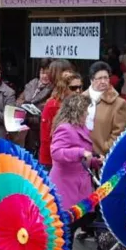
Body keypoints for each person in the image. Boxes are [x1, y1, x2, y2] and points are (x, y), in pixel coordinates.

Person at [49, 94, 102, 239]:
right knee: (66, 230)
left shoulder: (80, 127)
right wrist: (79, 152)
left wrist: (95, 161)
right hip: (66, 186)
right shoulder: (65, 128)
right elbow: (56, 152)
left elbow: (83, 158)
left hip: (79, 186)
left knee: (73, 225)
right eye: (85, 110)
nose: (87, 114)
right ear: (77, 111)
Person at [84, 61, 126, 155]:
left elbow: (119, 132)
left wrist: (106, 148)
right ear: (91, 80)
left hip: (102, 155)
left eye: (106, 78)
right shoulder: (81, 99)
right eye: (99, 78)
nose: (103, 81)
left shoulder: (119, 103)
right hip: (80, 153)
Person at [39, 59, 75, 168]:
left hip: (66, 156)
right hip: (56, 159)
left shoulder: (69, 99)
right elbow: (46, 138)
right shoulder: (53, 103)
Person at [16, 58, 55, 154]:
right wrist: (24, 104)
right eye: (42, 72)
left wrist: (30, 112)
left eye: (48, 73)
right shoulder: (32, 84)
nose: (44, 76)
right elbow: (18, 101)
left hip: (39, 131)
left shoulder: (54, 89)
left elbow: (44, 110)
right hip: (23, 129)